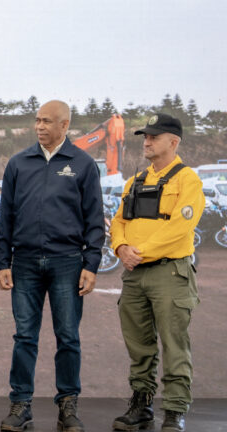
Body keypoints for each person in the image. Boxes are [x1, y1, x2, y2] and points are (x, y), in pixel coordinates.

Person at [0, 100, 104, 432]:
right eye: (37, 120)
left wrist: (91, 264)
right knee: (24, 337)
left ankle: (67, 406)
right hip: (24, 263)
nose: (39, 126)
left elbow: (95, 218)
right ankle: (21, 405)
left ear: (64, 125)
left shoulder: (83, 164)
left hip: (68, 263)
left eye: (46, 121)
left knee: (68, 337)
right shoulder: (18, 163)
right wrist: (2, 260)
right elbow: (5, 215)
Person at [109, 113, 203, 432]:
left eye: (154, 137)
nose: (147, 142)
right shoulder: (134, 181)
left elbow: (180, 227)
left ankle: (175, 410)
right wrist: (121, 247)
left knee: (174, 344)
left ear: (173, 142)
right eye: (145, 137)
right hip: (135, 275)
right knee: (139, 345)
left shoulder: (188, 180)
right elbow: (119, 221)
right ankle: (141, 405)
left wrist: (140, 252)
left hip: (169, 273)